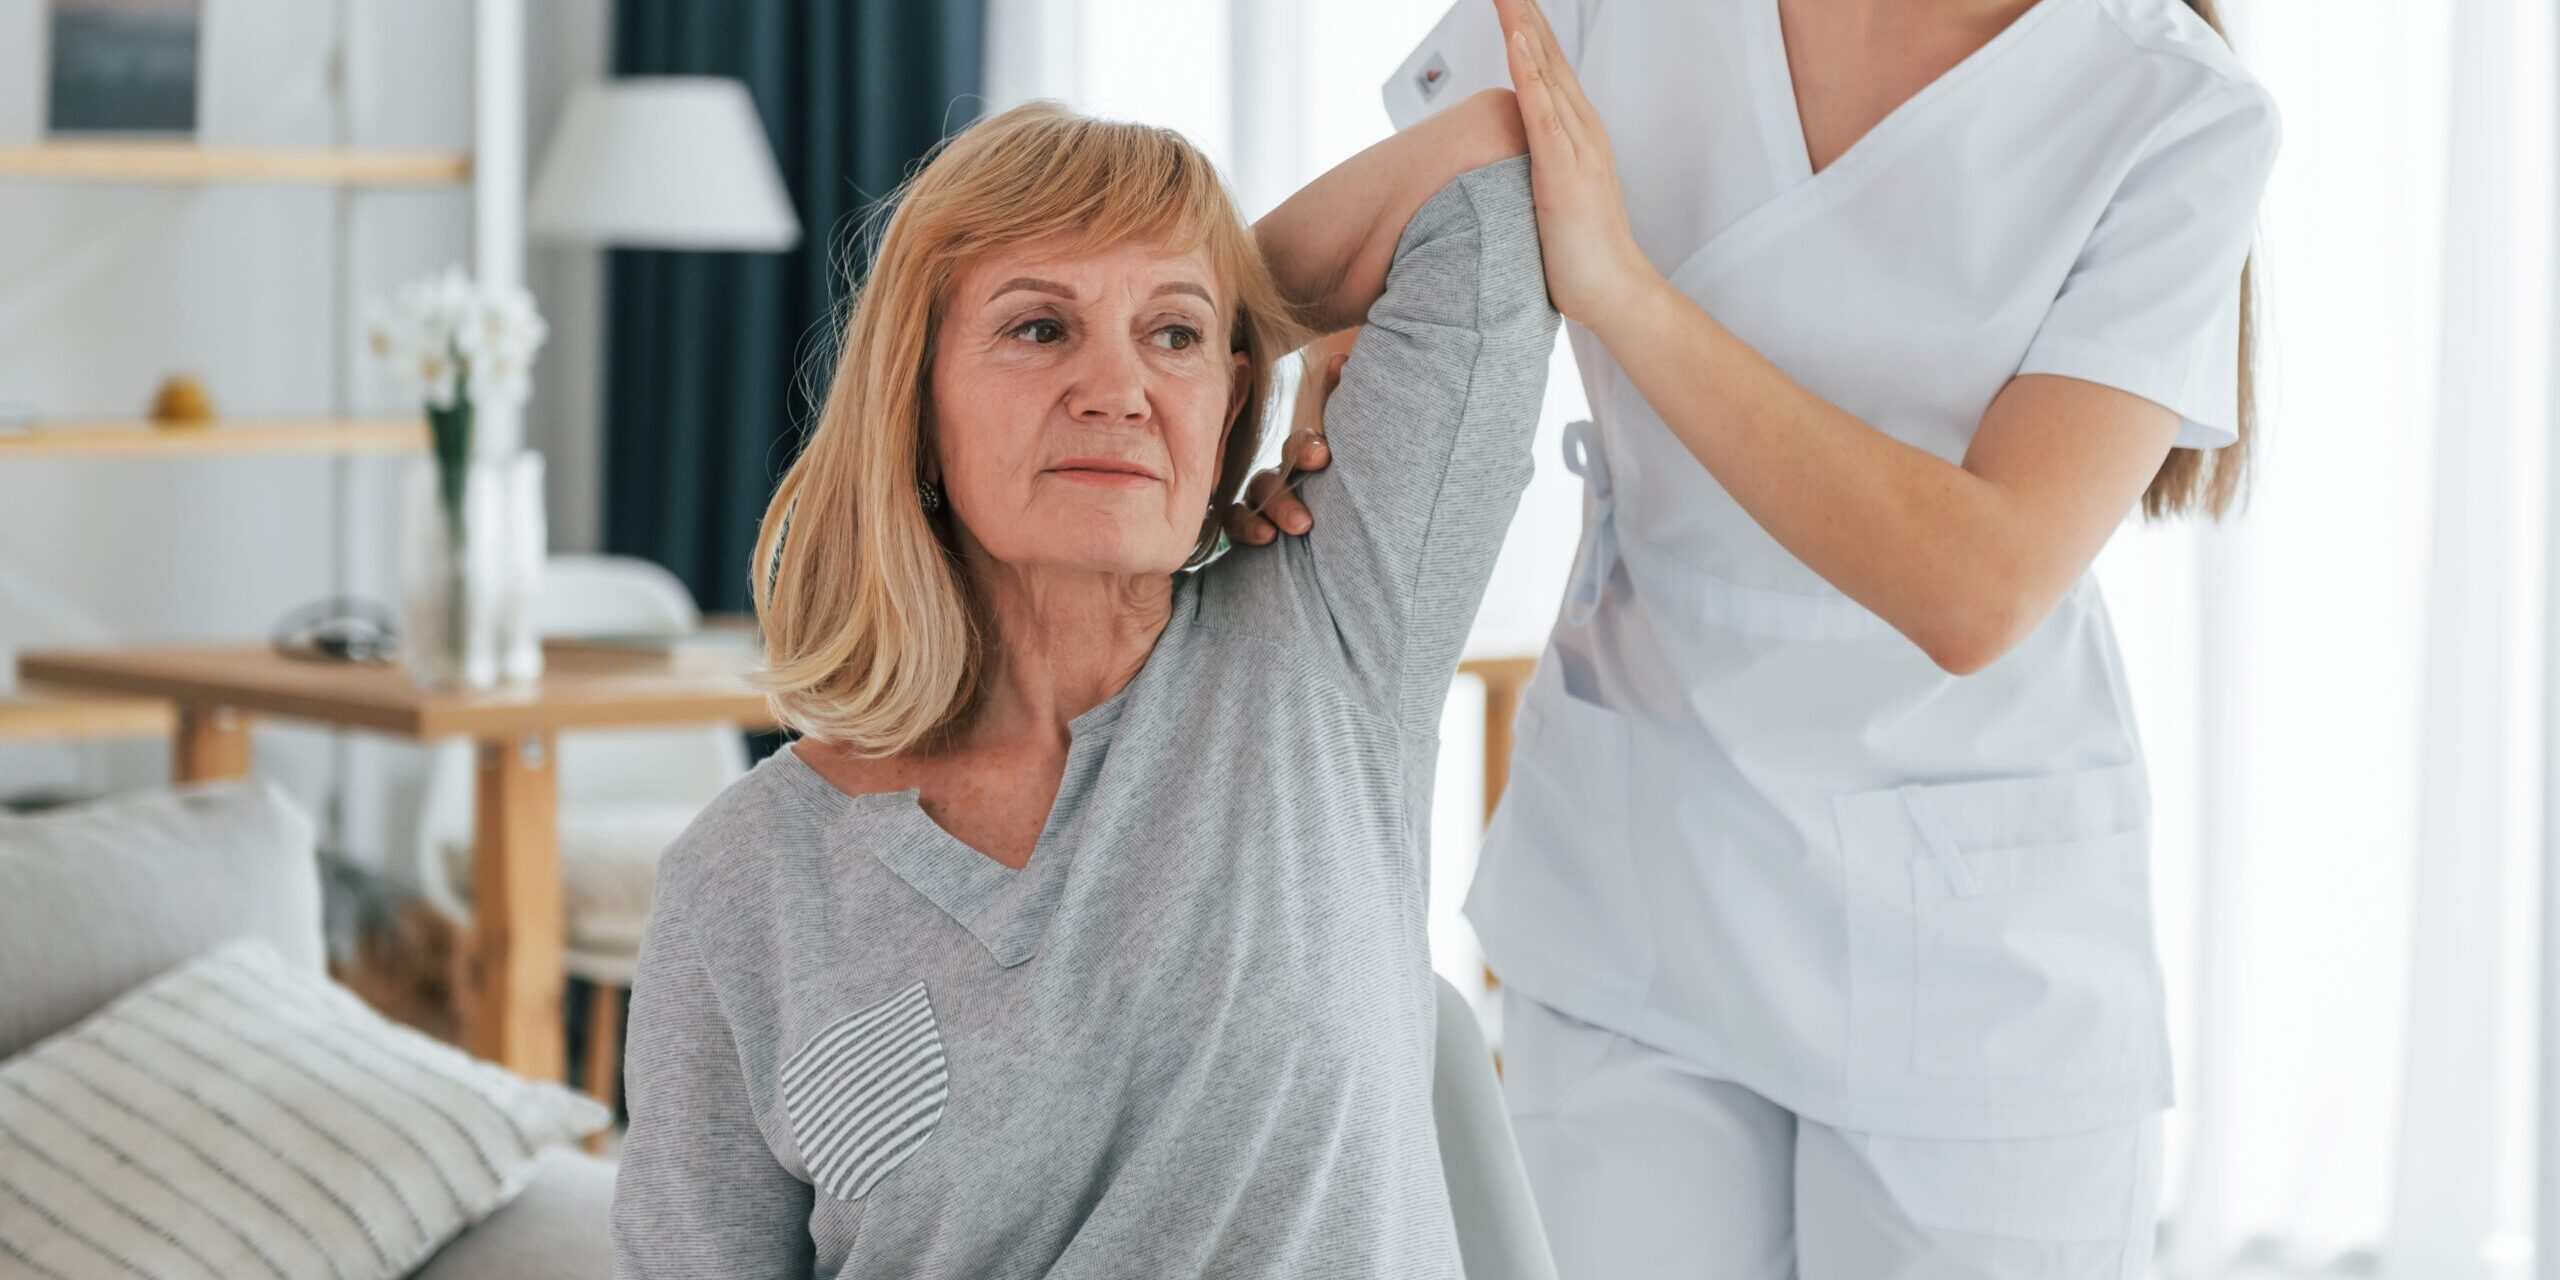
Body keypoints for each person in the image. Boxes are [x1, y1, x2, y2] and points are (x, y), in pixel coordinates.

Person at [1232, 0, 2281, 1273]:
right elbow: (1389, 223)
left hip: (1970, 934)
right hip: (1640, 868)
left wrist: (1618, 286)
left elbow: (1980, 584)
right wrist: (1200, 388)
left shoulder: (2169, 102)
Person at [607, 90, 1559, 1277]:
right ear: (914, 404)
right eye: (1038, 329)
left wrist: (1230, 301)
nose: (1117, 391)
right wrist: (1181, 309)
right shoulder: (745, 884)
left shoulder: (1332, 636)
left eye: (1172, 337)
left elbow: (1493, 163)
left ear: (1228, 406)